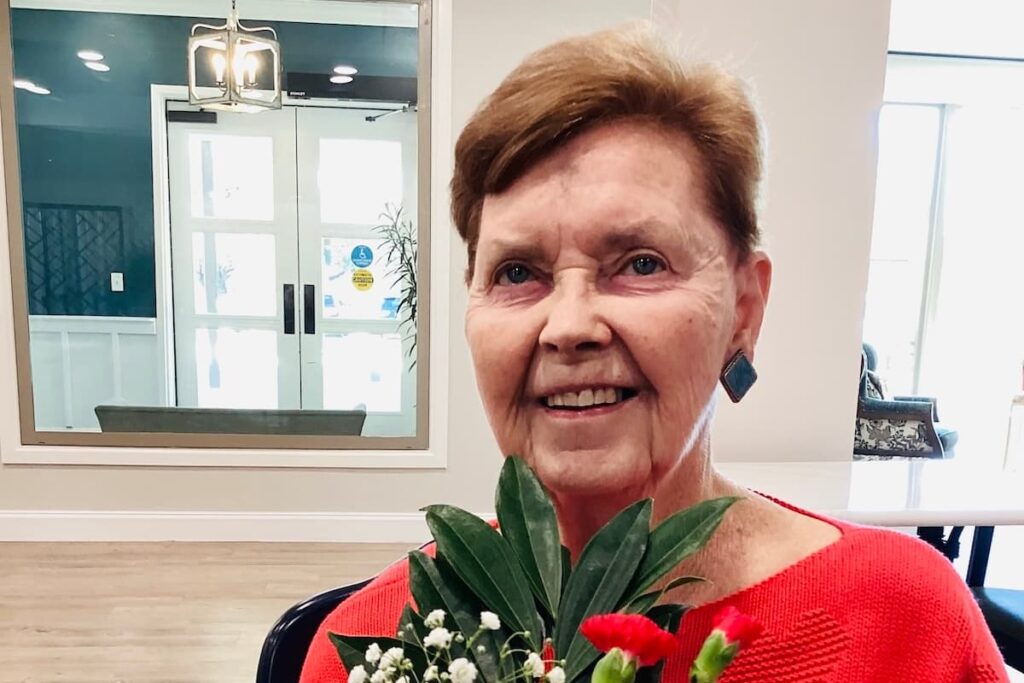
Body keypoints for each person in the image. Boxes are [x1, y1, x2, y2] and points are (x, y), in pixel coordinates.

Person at [301, 24, 1006, 683]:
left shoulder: (911, 627)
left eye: (640, 263)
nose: (569, 325)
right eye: (517, 272)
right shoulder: (372, 647)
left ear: (744, 310)